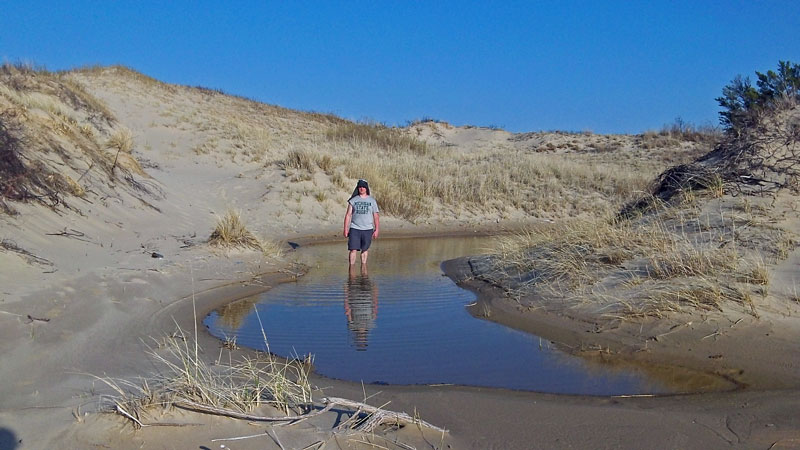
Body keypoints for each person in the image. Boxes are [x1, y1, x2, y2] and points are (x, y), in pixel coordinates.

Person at [343, 179, 380, 265]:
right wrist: (345, 229)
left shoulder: (372, 201)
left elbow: (376, 216)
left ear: (366, 188)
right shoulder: (353, 200)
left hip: (368, 229)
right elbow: (348, 215)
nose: (361, 188)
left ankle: (363, 270)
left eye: (363, 187)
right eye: (360, 187)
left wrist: (377, 229)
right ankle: (351, 270)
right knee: (353, 249)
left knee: (365, 249)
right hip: (355, 228)